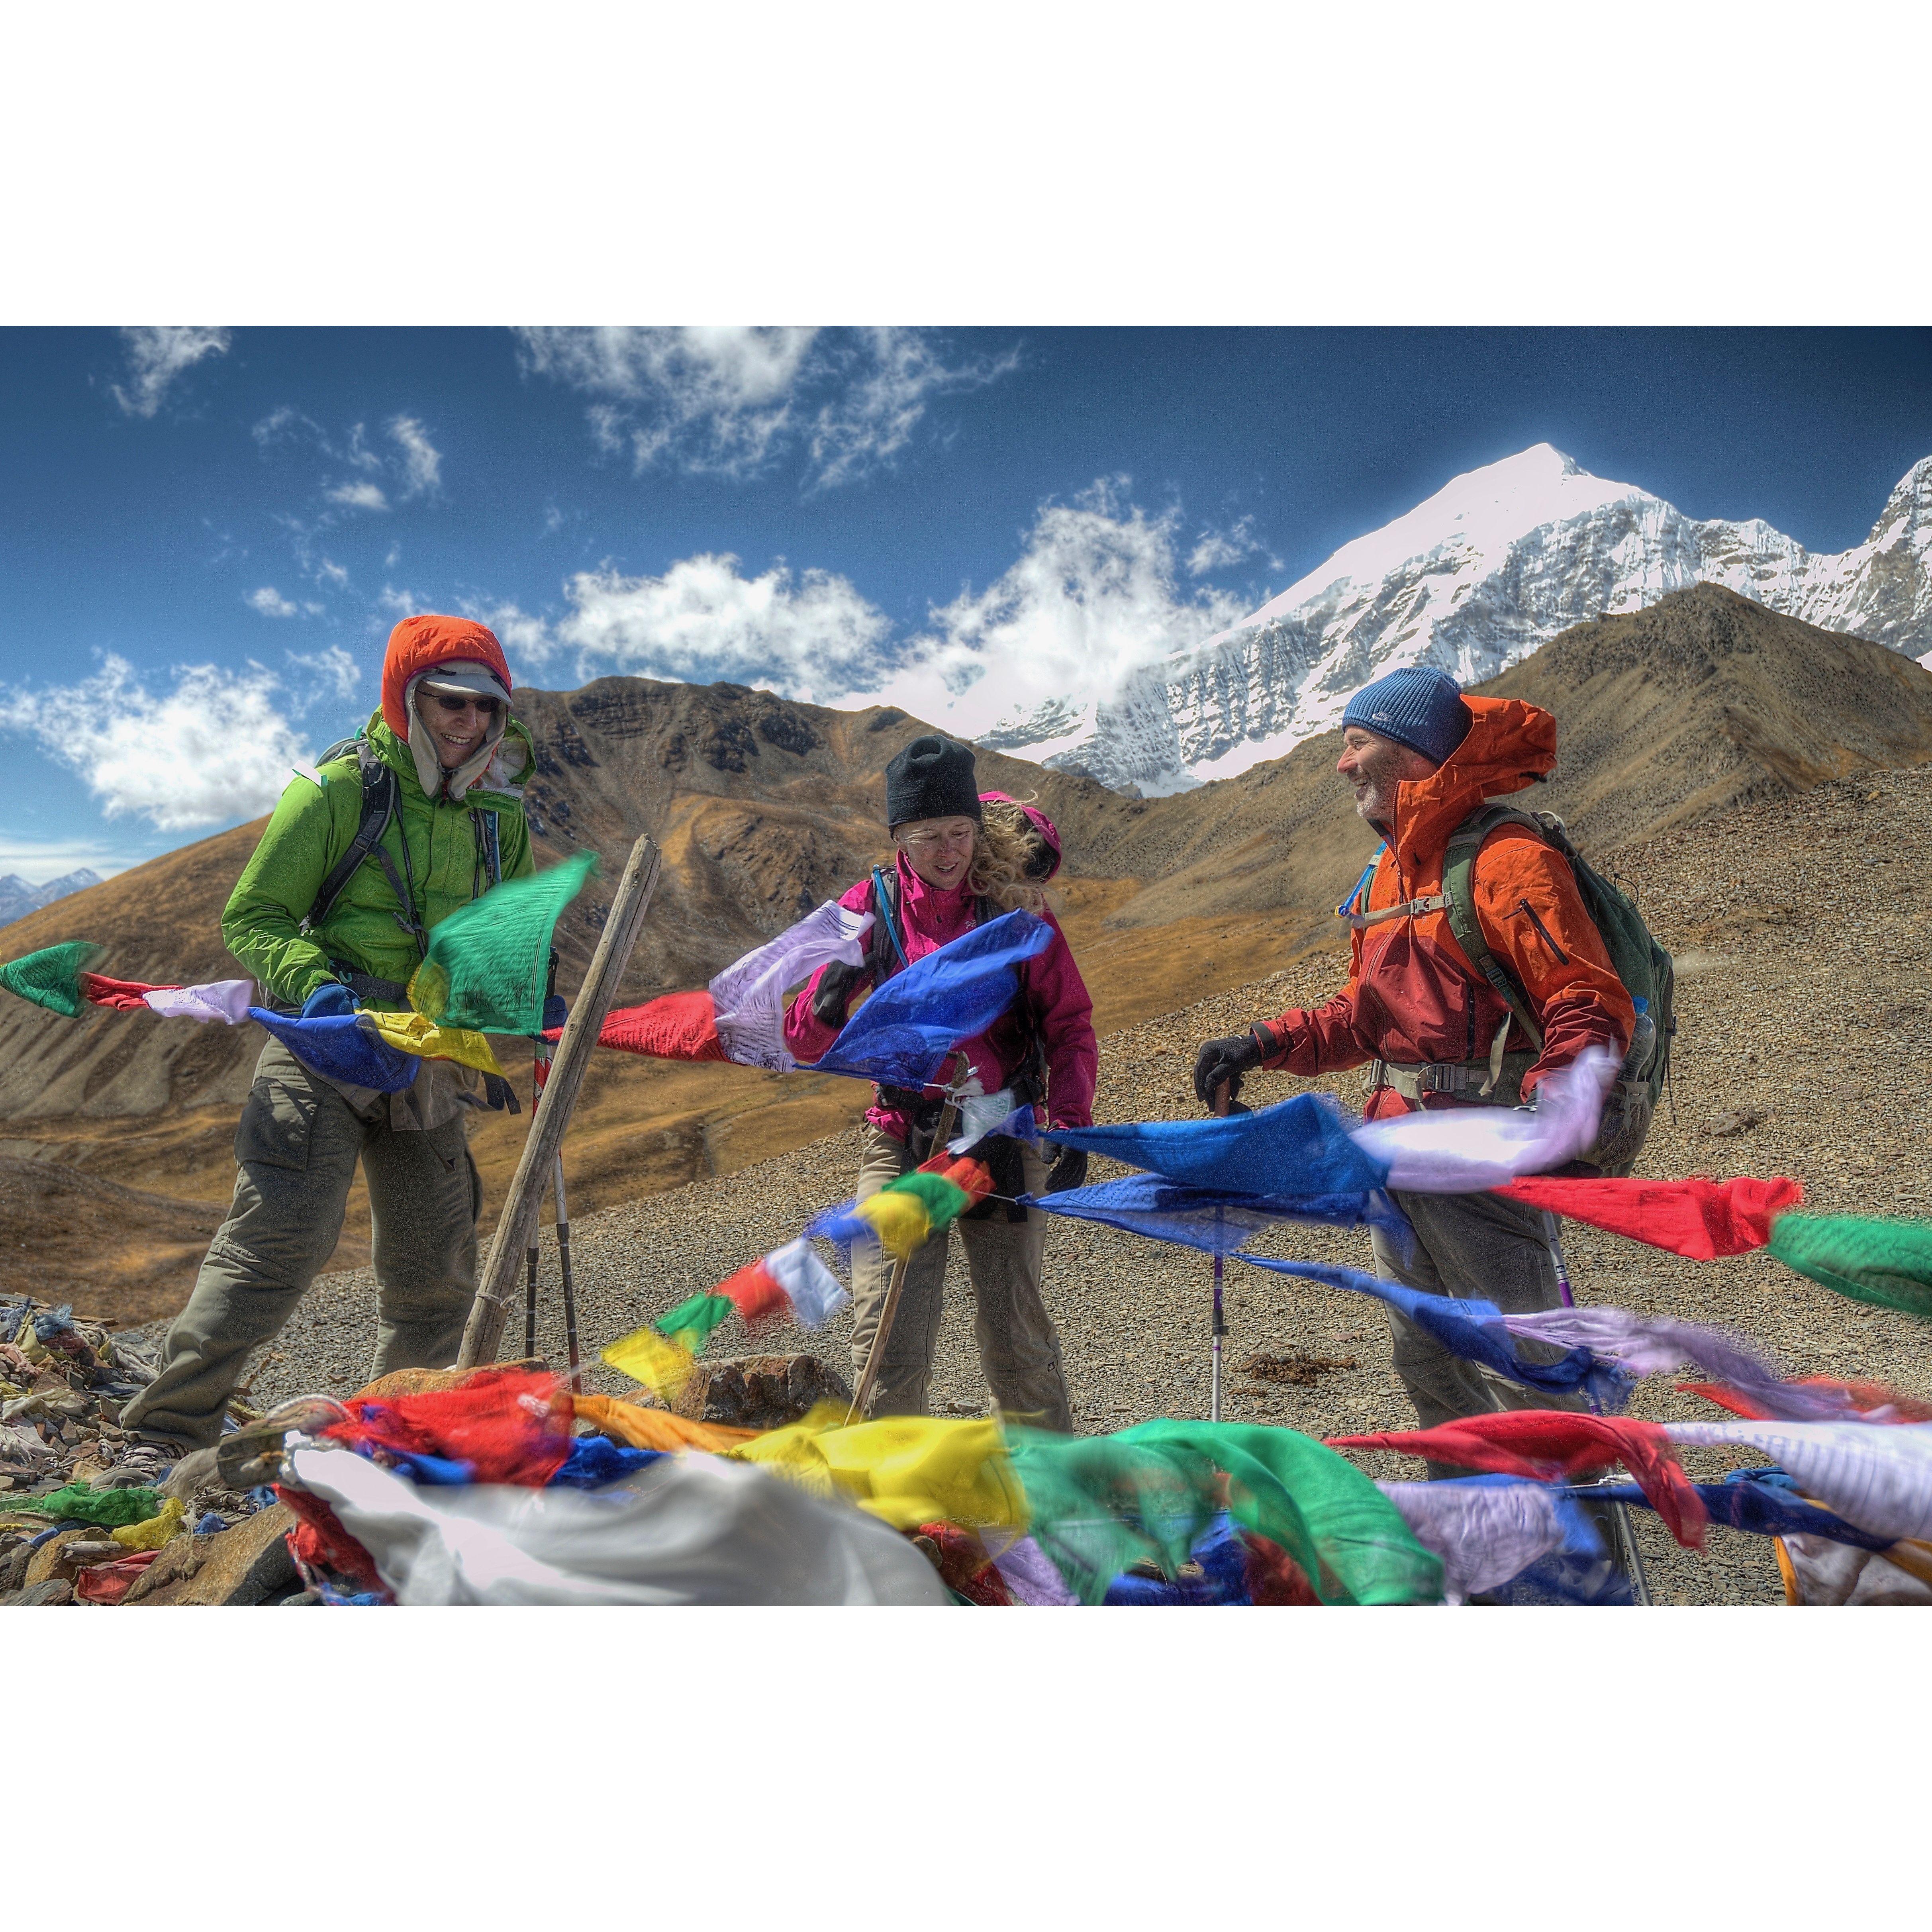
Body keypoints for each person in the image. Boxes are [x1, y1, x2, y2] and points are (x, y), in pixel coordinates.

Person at [107, 615, 537, 1483]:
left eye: (486, 708)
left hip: (428, 1057)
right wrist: (316, 985)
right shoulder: (339, 789)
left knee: (436, 1270)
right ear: (408, 698)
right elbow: (252, 916)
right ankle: (165, 1429)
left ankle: (394, 1438)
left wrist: (523, 987)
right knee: (278, 1243)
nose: (470, 723)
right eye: (450, 702)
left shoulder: (499, 819)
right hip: (323, 1039)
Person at [1191, 667, 1634, 1475]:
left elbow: (1583, 997)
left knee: (1530, 1369)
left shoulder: (1507, 858)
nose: (1342, 764)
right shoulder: (1388, 871)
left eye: (1357, 744)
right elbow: (1366, 1017)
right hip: (1396, 1154)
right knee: (1427, 1362)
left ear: (1411, 752)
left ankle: (1583, 1565)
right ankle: (1480, 1537)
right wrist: (1260, 1042)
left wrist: (1554, 1105)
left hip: (1484, 1161)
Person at [785, 735, 1096, 1432]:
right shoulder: (869, 907)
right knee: (886, 1332)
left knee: (1016, 1331)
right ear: (898, 835)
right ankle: (891, 1510)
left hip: (1002, 1140)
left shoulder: (1014, 908)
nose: (949, 852)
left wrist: (1071, 1119)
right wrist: (825, 999)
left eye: (961, 833)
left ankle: (1045, 1495)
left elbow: (1069, 1023)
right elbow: (802, 1037)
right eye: (928, 837)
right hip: (901, 1138)